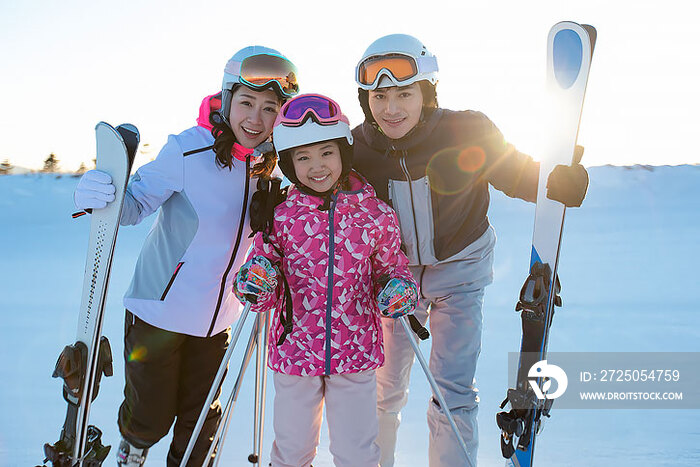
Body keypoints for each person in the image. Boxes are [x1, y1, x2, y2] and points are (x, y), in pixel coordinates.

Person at [351, 34, 590, 466]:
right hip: (392, 283)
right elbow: (319, 188)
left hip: (459, 275)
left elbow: (517, 173)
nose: (391, 108)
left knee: (452, 390)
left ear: (426, 91)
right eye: (379, 96)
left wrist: (556, 182)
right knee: (383, 390)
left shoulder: (466, 131)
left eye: (404, 93)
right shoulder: (356, 149)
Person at [72, 46, 300, 466]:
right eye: (247, 103)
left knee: (200, 431)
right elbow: (134, 205)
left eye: (270, 108)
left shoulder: (276, 165)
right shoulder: (187, 150)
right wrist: (102, 195)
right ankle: (132, 452)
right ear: (227, 99)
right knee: (150, 417)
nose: (255, 118)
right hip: (158, 314)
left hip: (218, 325)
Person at [233, 93, 419, 467]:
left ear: (343, 154)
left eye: (326, 153)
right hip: (295, 353)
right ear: (288, 164)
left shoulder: (375, 215)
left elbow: (391, 268)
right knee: (292, 450)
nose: (316, 166)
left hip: (355, 353)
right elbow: (261, 276)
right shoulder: (280, 217)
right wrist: (257, 282)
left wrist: (398, 289)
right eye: (303, 158)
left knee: (356, 452)